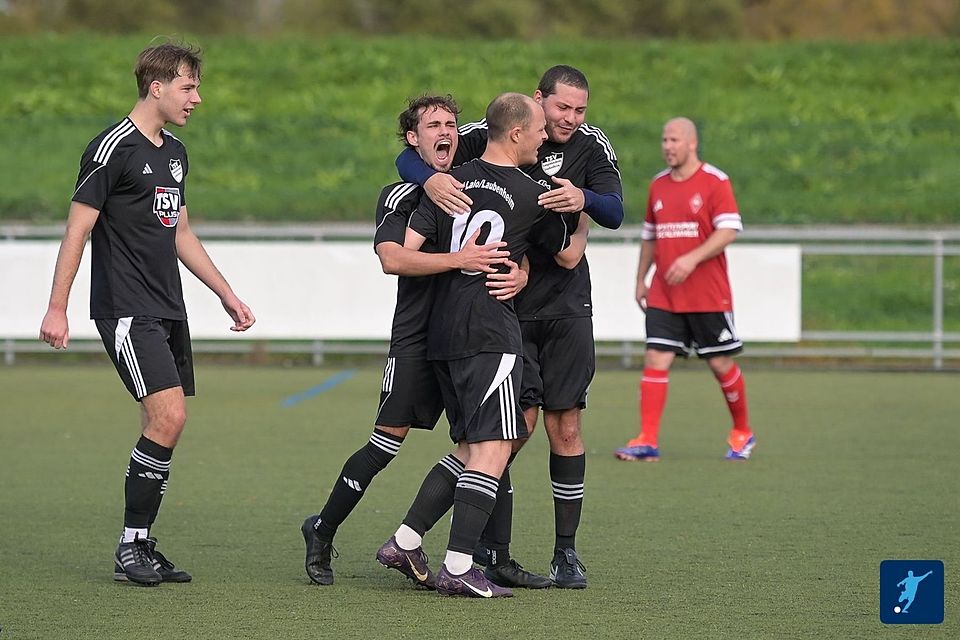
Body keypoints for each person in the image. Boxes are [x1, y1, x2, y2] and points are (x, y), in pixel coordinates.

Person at [395, 65, 622, 589]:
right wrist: (429, 178)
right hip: (502, 312)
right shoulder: (493, 132)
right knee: (506, 435)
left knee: (564, 428)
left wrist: (582, 200)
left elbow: (614, 210)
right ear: (537, 105)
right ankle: (491, 555)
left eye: (578, 110)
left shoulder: (591, 145)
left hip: (564, 311)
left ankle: (565, 553)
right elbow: (415, 154)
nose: (567, 119)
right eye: (560, 109)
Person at [38, 42, 256, 586]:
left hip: (167, 309)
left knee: (161, 423)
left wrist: (224, 293)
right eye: (188, 87)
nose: (197, 99)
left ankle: (141, 544)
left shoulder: (176, 153)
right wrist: (57, 307)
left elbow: (180, 231)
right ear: (156, 87)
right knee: (170, 417)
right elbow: (78, 228)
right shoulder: (111, 148)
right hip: (127, 309)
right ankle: (131, 545)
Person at [299, 95, 527, 586]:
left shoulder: (472, 180)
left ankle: (484, 556)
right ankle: (322, 528)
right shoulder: (400, 195)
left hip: (467, 337)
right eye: (432, 126)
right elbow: (393, 260)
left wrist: (522, 275)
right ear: (413, 138)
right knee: (386, 444)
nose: (444, 132)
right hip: (417, 339)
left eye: (449, 124)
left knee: (485, 445)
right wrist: (458, 261)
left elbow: (512, 240)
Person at [615, 117, 755, 463]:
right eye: (664, 140)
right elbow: (650, 236)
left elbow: (728, 231)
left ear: (692, 143)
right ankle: (647, 438)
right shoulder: (658, 185)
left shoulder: (715, 182)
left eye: (674, 140)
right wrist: (640, 280)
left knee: (720, 363)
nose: (668, 146)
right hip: (665, 293)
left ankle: (742, 431)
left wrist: (691, 259)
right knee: (655, 358)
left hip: (707, 294)